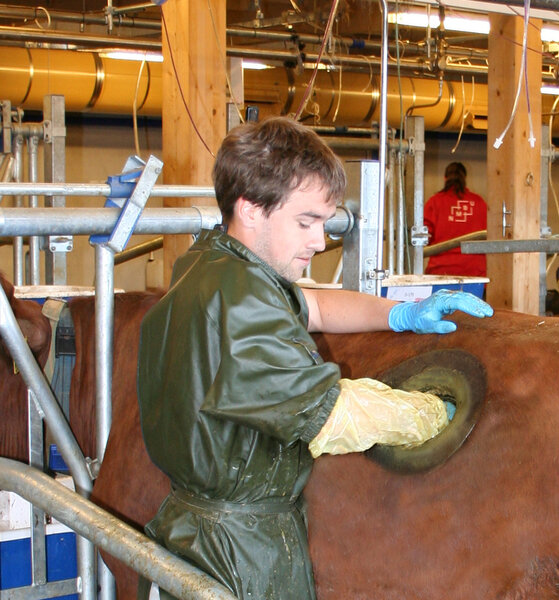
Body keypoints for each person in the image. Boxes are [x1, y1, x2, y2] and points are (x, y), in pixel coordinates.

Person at [136, 116, 493, 600]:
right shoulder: (241, 301)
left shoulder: (213, 267)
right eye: (306, 222)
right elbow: (330, 416)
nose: (319, 241)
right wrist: (429, 412)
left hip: (195, 530)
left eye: (324, 223)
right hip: (241, 556)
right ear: (251, 208)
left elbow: (318, 306)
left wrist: (403, 313)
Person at [423, 161, 488, 277]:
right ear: (465, 178)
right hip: (474, 272)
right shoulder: (480, 203)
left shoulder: (434, 202)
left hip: (441, 271)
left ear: (445, 178)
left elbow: (424, 238)